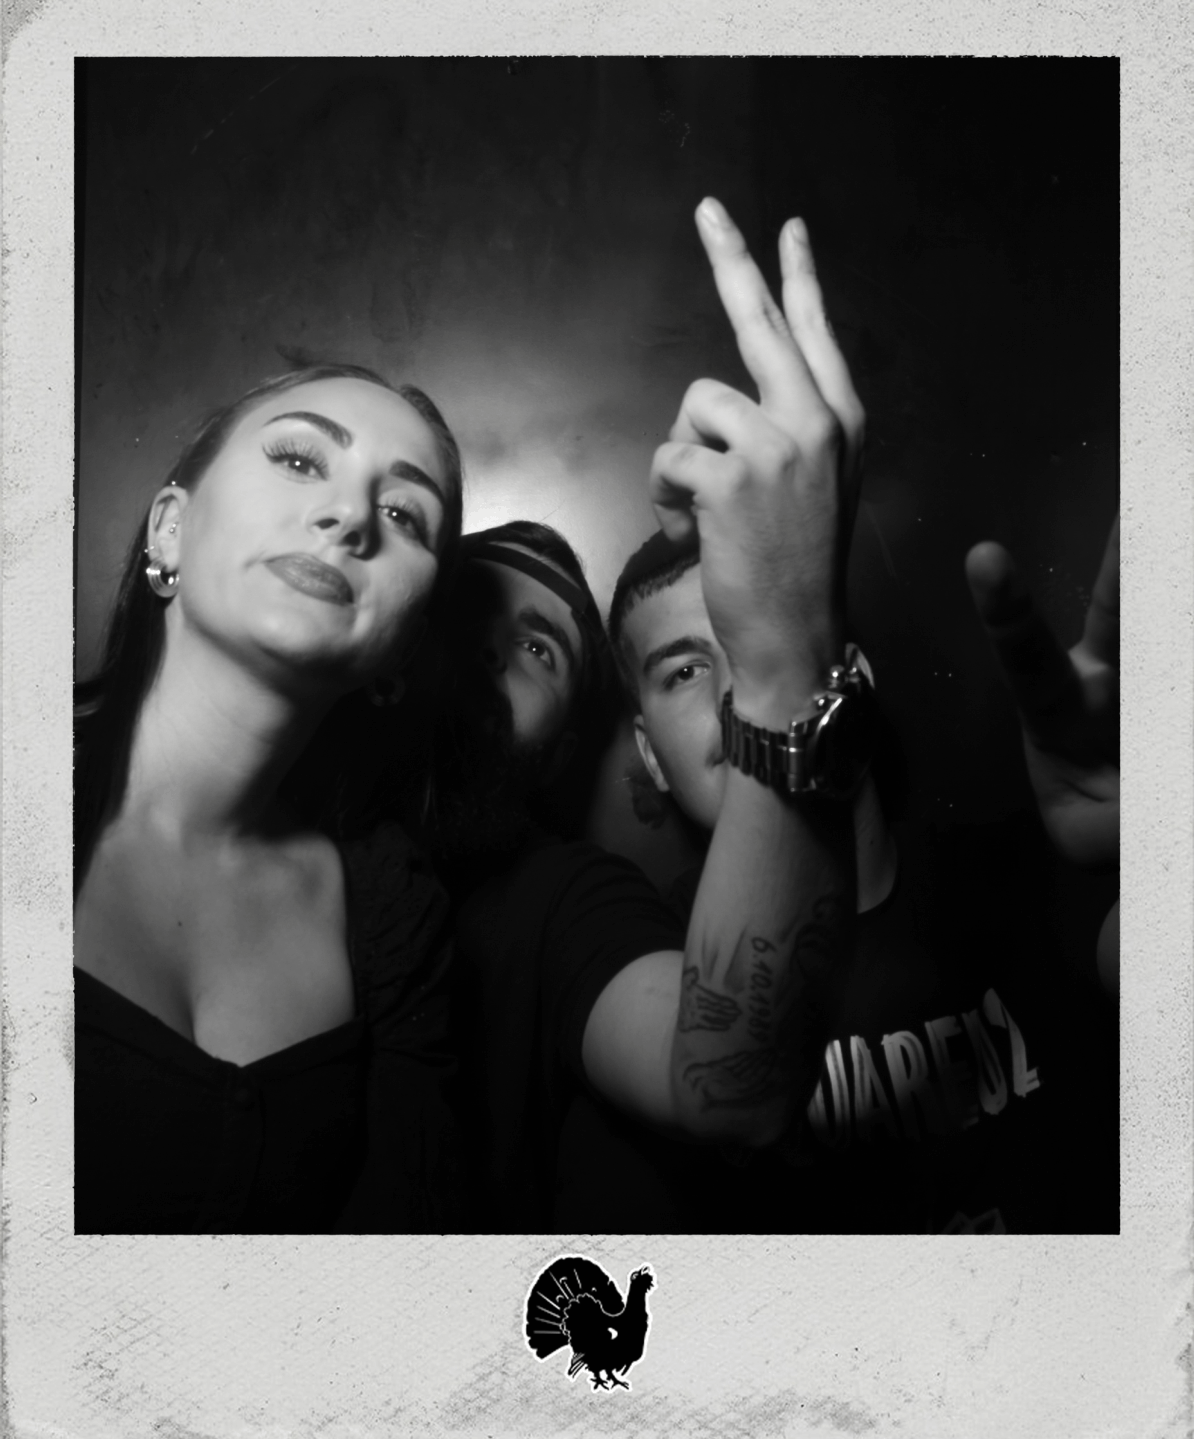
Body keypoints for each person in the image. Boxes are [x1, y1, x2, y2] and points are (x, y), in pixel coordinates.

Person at [420, 197, 869, 1230]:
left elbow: (726, 1076)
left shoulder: (569, 910)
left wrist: (789, 647)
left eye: (540, 647)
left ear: (569, 744)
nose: (491, 650)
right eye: (465, 617)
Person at [602, 385, 1120, 1227]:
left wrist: (1158, 842)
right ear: (651, 753)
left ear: (855, 679)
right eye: (686, 670)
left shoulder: (1019, 873)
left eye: (758, 644)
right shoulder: (639, 960)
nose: (741, 689)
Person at [73, 363, 466, 1234]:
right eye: (298, 460)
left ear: (404, 650)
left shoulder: (393, 913)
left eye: (405, 515)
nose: (351, 516)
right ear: (170, 529)